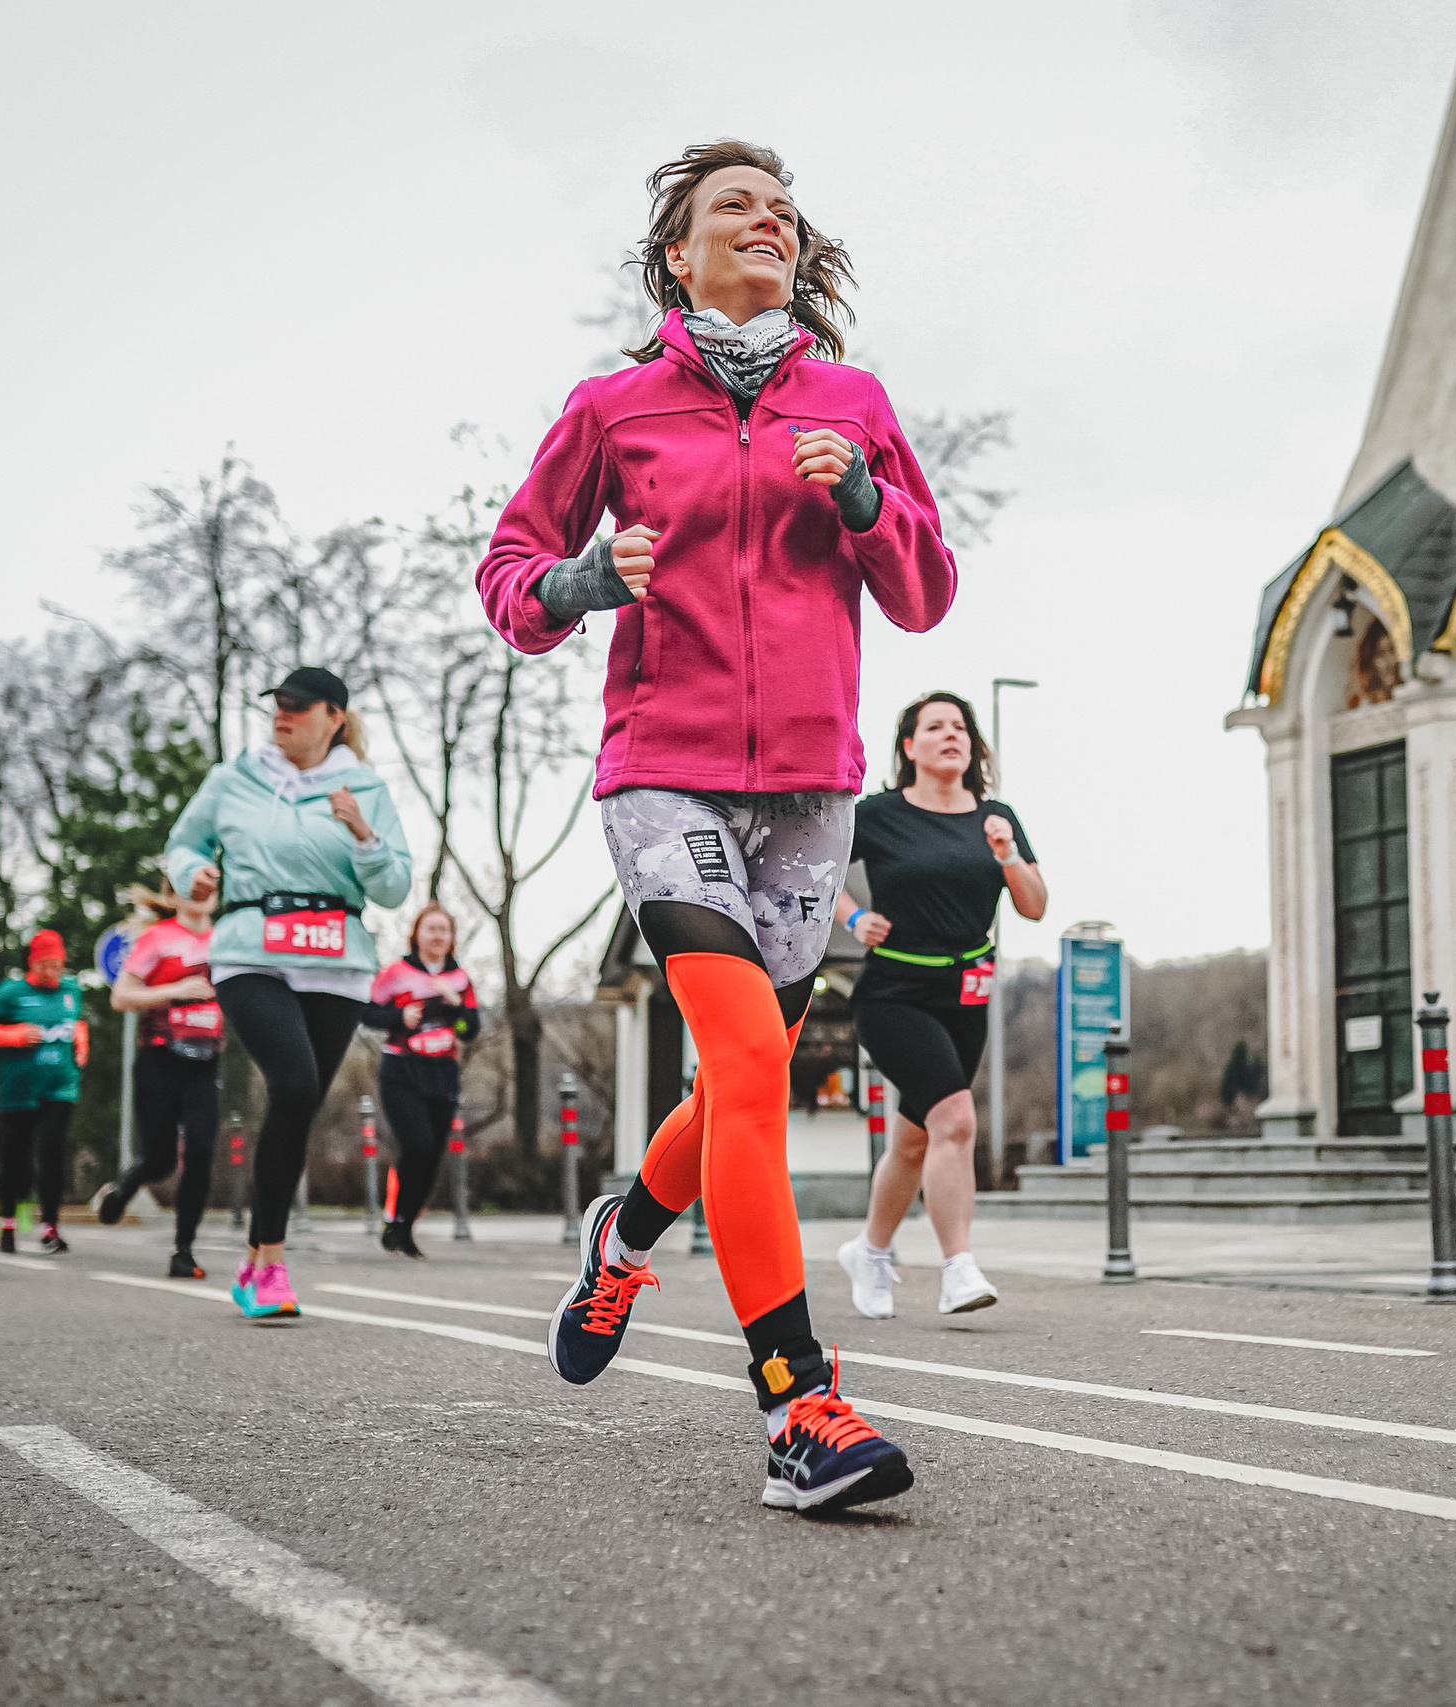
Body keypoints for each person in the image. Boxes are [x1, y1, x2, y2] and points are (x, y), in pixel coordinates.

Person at [479, 140, 957, 1513]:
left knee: (740, 1082)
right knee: (746, 1058)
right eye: (735, 206)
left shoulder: (853, 403)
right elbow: (509, 575)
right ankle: (799, 1407)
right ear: (678, 256)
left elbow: (925, 592)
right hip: (665, 772)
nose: (769, 222)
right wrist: (583, 580)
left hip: (810, 786)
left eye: (785, 212)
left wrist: (863, 500)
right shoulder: (613, 407)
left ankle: (623, 1237)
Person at [163, 665, 411, 1317]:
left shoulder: (365, 788)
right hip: (252, 951)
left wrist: (363, 834)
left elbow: (393, 889)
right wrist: (193, 872)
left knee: (296, 1108)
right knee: (295, 1084)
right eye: (277, 704)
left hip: (337, 959)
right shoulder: (233, 779)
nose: (282, 714)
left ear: (334, 717)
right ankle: (271, 1263)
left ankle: (255, 1261)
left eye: (298, 706)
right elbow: (182, 843)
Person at [834, 692, 1047, 1319]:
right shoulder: (879, 814)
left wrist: (1008, 856)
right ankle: (958, 1269)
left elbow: (1035, 905)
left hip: (965, 997)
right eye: (935, 726)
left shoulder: (996, 817)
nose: (950, 735)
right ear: (910, 746)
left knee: (915, 1141)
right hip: (893, 995)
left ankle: (869, 1253)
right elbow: (815, 868)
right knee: (955, 1121)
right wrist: (853, 916)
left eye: (960, 727)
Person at [96, 881, 226, 1277]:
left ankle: (183, 1251)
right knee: (160, 1159)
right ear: (172, 896)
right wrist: (176, 989)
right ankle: (126, 1185)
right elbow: (121, 997)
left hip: (206, 1061)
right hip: (160, 1059)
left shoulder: (227, 939)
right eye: (190, 884)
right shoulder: (158, 938)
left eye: (210, 883)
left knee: (201, 1151)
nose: (202, 889)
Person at [361, 902, 477, 1259]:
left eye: (444, 930)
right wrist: (399, 1016)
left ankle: (404, 1226)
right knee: (417, 1146)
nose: (438, 936)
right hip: (401, 1071)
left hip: (442, 1074)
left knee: (432, 1156)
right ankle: (394, 1221)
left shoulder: (460, 979)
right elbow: (367, 1012)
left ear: (452, 937)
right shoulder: (396, 973)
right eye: (432, 929)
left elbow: (469, 1029)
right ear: (417, 935)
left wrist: (456, 1007)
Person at [0, 931, 88, 1254]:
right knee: (16, 1158)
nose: (52, 971)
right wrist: (15, 1035)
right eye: (45, 964)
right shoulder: (11, 992)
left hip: (60, 1086)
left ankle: (51, 1228)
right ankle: (7, 1222)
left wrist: (81, 1041)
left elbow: (77, 1023)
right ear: (31, 963)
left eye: (58, 964)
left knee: (52, 1153)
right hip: (18, 1090)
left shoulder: (72, 990)